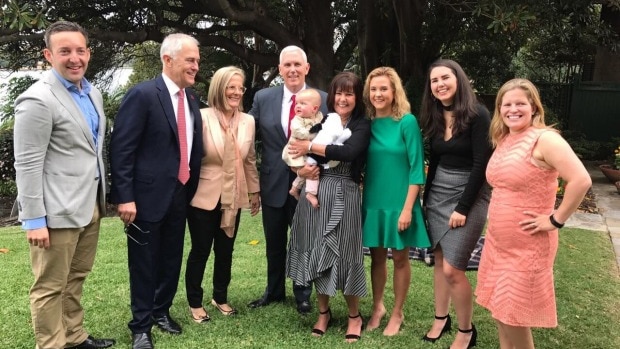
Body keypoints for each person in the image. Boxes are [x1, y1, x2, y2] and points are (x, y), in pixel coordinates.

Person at [13, 21, 115, 349]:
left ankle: (75, 337)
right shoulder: (37, 100)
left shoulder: (93, 92)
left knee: (75, 280)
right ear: (48, 55)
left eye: (80, 50)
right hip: (55, 213)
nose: (74, 58)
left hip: (89, 207)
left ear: (88, 52)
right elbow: (27, 164)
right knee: (49, 288)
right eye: (65, 51)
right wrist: (33, 220)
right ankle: (53, 345)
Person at [475, 78, 591, 349]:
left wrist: (555, 219)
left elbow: (581, 180)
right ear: (499, 109)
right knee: (500, 313)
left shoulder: (546, 139)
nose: (512, 109)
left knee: (514, 317)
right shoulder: (505, 138)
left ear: (534, 108)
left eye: (520, 103)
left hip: (528, 246)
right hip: (497, 244)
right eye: (507, 104)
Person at [109, 33, 203, 349]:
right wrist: (124, 196)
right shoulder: (143, 95)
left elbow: (191, 149)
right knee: (144, 262)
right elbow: (122, 150)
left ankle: (160, 311)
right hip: (145, 198)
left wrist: (188, 188)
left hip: (179, 194)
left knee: (171, 258)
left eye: (197, 61)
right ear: (168, 59)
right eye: (190, 60)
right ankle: (140, 327)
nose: (196, 66)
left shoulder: (191, 99)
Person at [286, 71, 370, 342]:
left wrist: (310, 146)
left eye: (349, 93)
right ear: (331, 96)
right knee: (314, 248)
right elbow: (294, 151)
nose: (343, 99)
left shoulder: (361, 125)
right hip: (316, 190)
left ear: (357, 97)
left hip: (344, 191)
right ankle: (323, 312)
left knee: (345, 252)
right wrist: (302, 169)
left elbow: (348, 153)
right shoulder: (318, 121)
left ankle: (354, 316)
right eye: (339, 93)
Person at [247, 45, 327, 314]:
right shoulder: (263, 97)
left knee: (304, 239)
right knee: (274, 241)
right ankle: (274, 291)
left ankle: (303, 293)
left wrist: (312, 166)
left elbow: (332, 139)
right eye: (287, 65)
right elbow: (248, 133)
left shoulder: (323, 99)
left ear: (307, 68)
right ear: (279, 69)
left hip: (308, 182)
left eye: (297, 65)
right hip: (272, 183)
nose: (292, 70)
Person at [419, 59, 492, 349]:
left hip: (470, 195)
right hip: (437, 194)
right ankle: (441, 317)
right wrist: (427, 200)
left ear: (458, 79)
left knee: (453, 268)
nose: (440, 84)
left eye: (445, 78)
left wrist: (462, 207)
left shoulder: (478, 115)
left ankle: (466, 330)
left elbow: (480, 165)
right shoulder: (435, 116)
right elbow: (435, 160)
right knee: (438, 259)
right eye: (434, 80)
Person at [185, 66, 261, 323]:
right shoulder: (201, 117)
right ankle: (195, 302)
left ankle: (220, 296)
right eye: (232, 87)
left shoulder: (248, 121)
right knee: (201, 250)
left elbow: (249, 160)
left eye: (240, 88)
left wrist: (254, 191)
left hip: (234, 195)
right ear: (219, 88)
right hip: (203, 195)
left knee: (226, 249)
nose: (237, 92)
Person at [361, 66, 431, 336]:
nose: (378, 93)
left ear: (394, 92)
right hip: (373, 200)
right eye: (374, 89)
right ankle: (377, 307)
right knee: (376, 257)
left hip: (401, 201)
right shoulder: (366, 123)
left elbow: (417, 168)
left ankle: (397, 312)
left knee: (401, 257)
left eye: (383, 89)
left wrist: (408, 209)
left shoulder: (407, 122)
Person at [283, 89, 352, 208]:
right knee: (311, 169)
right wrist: (317, 136)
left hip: (307, 151)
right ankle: (311, 193)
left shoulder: (320, 116)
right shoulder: (297, 119)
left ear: (314, 109)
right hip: (295, 151)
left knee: (309, 168)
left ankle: (295, 187)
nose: (298, 106)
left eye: (303, 104)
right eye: (297, 103)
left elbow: (324, 127)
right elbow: (299, 132)